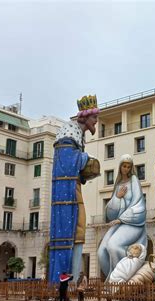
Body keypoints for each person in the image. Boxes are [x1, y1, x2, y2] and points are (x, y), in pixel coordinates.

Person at [49, 95, 101, 283]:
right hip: (66, 192)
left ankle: (72, 277)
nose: (96, 121)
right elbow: (69, 161)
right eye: (94, 117)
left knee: (79, 229)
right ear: (85, 117)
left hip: (73, 186)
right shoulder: (68, 133)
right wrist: (86, 159)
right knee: (74, 228)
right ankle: (65, 280)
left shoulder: (78, 134)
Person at [98, 154, 147, 280]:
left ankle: (123, 276)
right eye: (124, 166)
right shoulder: (118, 184)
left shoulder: (134, 180)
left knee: (113, 246)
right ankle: (113, 279)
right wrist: (117, 197)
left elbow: (139, 203)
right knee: (101, 252)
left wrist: (122, 218)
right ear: (120, 167)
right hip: (119, 223)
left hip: (132, 223)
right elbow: (111, 212)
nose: (126, 169)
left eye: (128, 166)